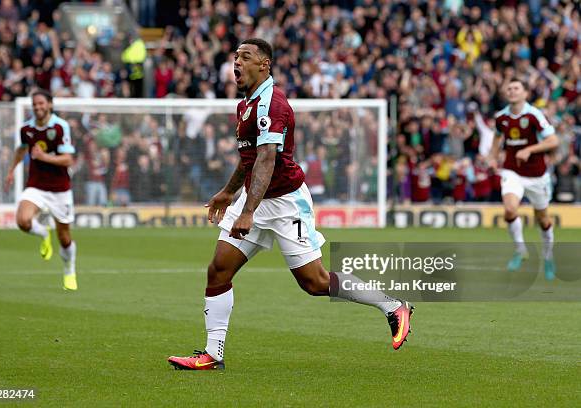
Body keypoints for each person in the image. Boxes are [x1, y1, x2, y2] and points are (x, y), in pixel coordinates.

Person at [168, 39, 414, 370]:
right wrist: (229, 192)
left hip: (285, 203)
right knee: (219, 270)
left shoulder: (272, 104)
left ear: (264, 65)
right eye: (235, 57)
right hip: (256, 198)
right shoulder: (246, 104)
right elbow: (250, 158)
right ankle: (213, 354)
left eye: (245, 57)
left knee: (314, 282)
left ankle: (393, 306)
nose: (236, 63)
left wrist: (247, 211)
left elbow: (267, 160)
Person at [5, 89, 78, 290]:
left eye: (41, 103)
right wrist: (11, 170)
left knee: (64, 238)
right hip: (36, 186)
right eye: (35, 104)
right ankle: (44, 233)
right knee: (22, 220)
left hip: (60, 189)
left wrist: (44, 157)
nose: (38, 107)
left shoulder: (60, 127)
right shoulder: (26, 129)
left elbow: (68, 159)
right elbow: (21, 149)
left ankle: (69, 270)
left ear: (50, 105)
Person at [489, 79, 559, 280]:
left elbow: (553, 140)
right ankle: (520, 251)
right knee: (510, 210)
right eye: (509, 88)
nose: (511, 91)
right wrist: (493, 158)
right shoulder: (501, 117)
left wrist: (529, 149)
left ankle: (548, 257)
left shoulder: (534, 115)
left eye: (516, 88)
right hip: (512, 172)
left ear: (525, 93)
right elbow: (496, 137)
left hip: (537, 176)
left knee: (543, 220)